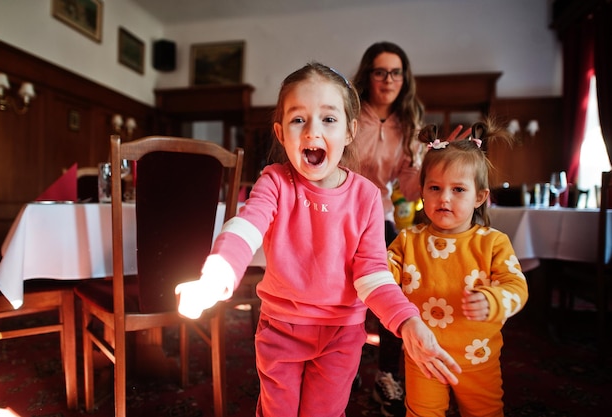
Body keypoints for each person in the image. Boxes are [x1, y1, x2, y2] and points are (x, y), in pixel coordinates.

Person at [174, 62, 461, 417]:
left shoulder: (367, 197)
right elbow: (246, 227)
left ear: (350, 131)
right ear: (280, 133)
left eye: (328, 119)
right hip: (281, 330)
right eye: (299, 119)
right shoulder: (275, 182)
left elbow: (373, 274)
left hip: (341, 336)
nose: (312, 130)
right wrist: (216, 275)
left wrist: (407, 320)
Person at [351, 41, 469, 416]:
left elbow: (409, 185)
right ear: (368, 75)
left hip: (377, 215)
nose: (388, 80)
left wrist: (441, 165)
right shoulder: (348, 112)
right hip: (337, 211)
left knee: (395, 289)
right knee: (338, 292)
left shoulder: (408, 122)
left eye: (396, 72)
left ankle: (386, 374)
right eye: (380, 71)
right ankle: (344, 363)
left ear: (405, 78)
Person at [387, 121, 528, 417]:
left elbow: (517, 287)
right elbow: (381, 276)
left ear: (479, 197)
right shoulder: (408, 240)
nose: (445, 198)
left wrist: (493, 300)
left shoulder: (493, 243)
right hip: (423, 355)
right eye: (435, 188)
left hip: (478, 357)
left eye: (458, 189)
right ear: (423, 191)